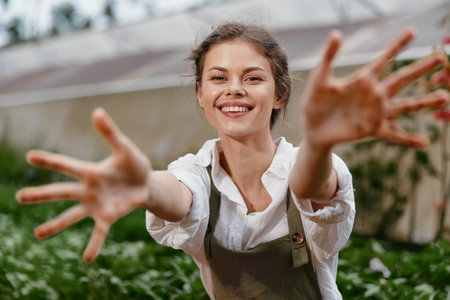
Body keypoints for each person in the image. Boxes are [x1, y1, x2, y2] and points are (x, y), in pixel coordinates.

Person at [16, 22, 449, 299]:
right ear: (201, 96)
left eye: (253, 78)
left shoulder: (311, 165)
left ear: (279, 95)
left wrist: (318, 142)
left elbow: (311, 187)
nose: (234, 89)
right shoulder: (196, 174)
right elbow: (179, 195)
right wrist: (143, 187)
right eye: (218, 78)